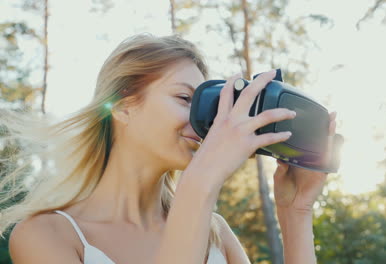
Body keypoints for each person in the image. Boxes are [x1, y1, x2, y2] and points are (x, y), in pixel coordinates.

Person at [1, 33, 337, 264]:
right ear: (122, 107)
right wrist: (202, 180)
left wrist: (296, 213)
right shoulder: (45, 235)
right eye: (185, 98)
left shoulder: (215, 232)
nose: (206, 123)